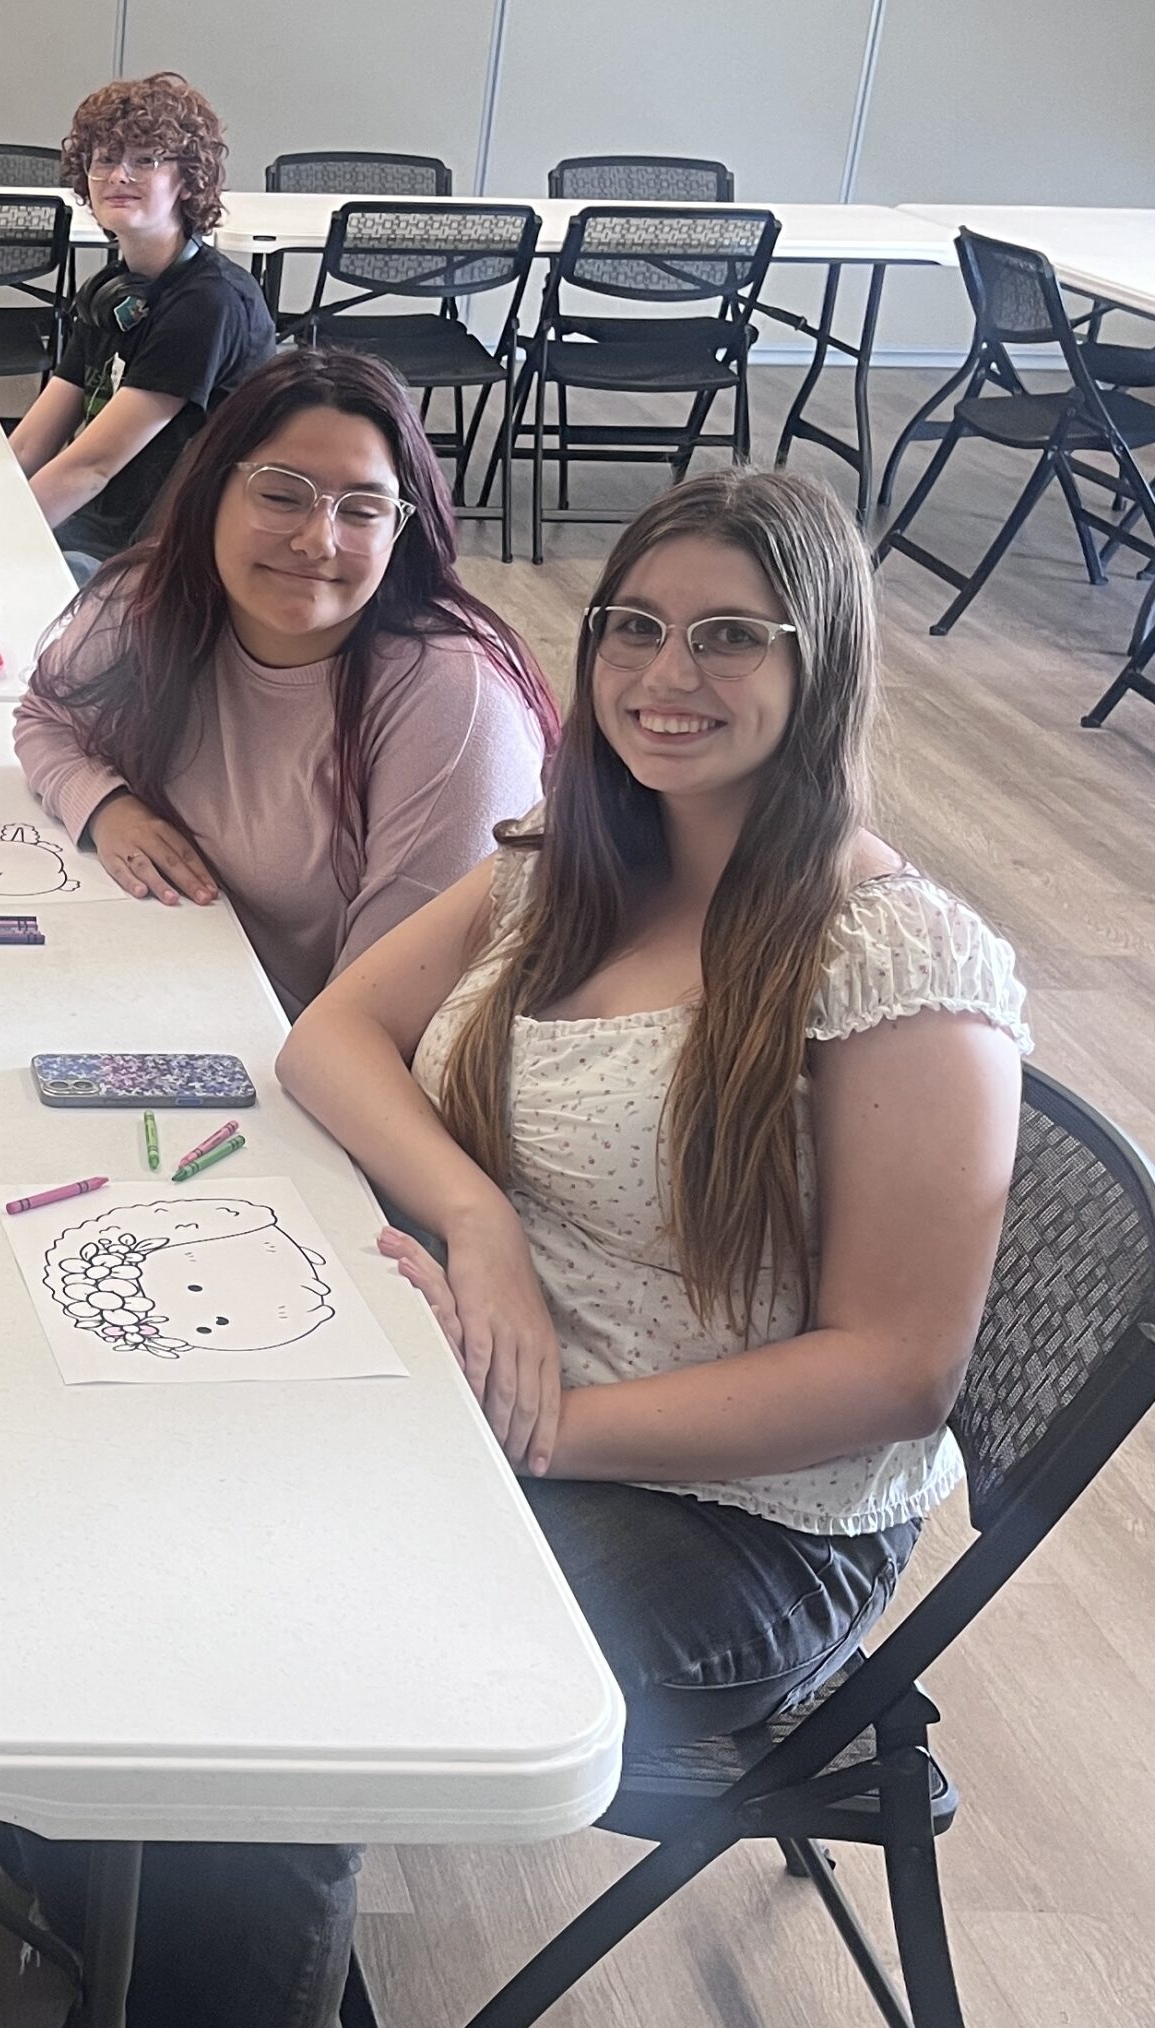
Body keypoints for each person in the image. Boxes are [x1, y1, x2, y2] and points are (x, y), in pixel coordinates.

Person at [282, 467, 1025, 1744]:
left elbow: (897, 1370)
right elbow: (329, 1037)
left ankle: (200, 1916)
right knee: (188, 1523)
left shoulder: (896, 962)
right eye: (634, 626)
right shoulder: (566, 860)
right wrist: (480, 1223)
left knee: (321, 1649)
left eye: (730, 636)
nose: (665, 674)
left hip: (735, 1519)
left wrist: (542, 1432)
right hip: (490, 1388)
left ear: (822, 664)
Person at [15, 348, 557, 1016]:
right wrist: (103, 805)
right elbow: (44, 716)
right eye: (279, 494)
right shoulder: (150, 599)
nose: (317, 540)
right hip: (165, 980)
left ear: (400, 530)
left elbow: (378, 1018)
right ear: (212, 490)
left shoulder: (453, 701)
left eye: (361, 510)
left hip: (309, 1059)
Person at [8, 72, 276, 574]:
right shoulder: (111, 289)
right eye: (105, 159)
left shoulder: (208, 303)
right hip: (93, 523)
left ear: (187, 178)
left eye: (144, 160)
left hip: (156, 553)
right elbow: (29, 444)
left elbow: (92, 467)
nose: (118, 176)